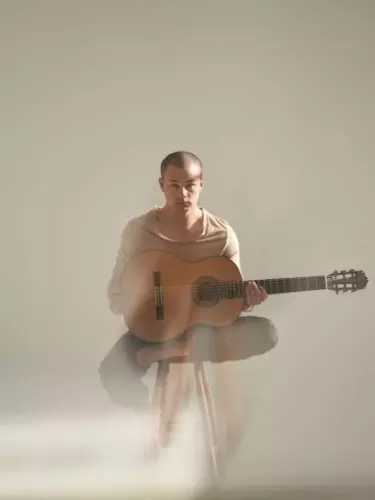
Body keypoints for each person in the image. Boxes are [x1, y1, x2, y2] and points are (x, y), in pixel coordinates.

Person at [99, 151, 278, 412]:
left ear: (201, 184)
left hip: (202, 329)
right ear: (162, 185)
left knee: (266, 333)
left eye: (190, 186)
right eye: (174, 186)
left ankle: (166, 353)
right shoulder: (138, 231)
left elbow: (230, 300)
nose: (183, 194)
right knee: (112, 373)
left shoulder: (222, 234)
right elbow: (116, 294)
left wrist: (247, 302)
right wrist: (143, 299)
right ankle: (149, 419)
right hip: (154, 328)